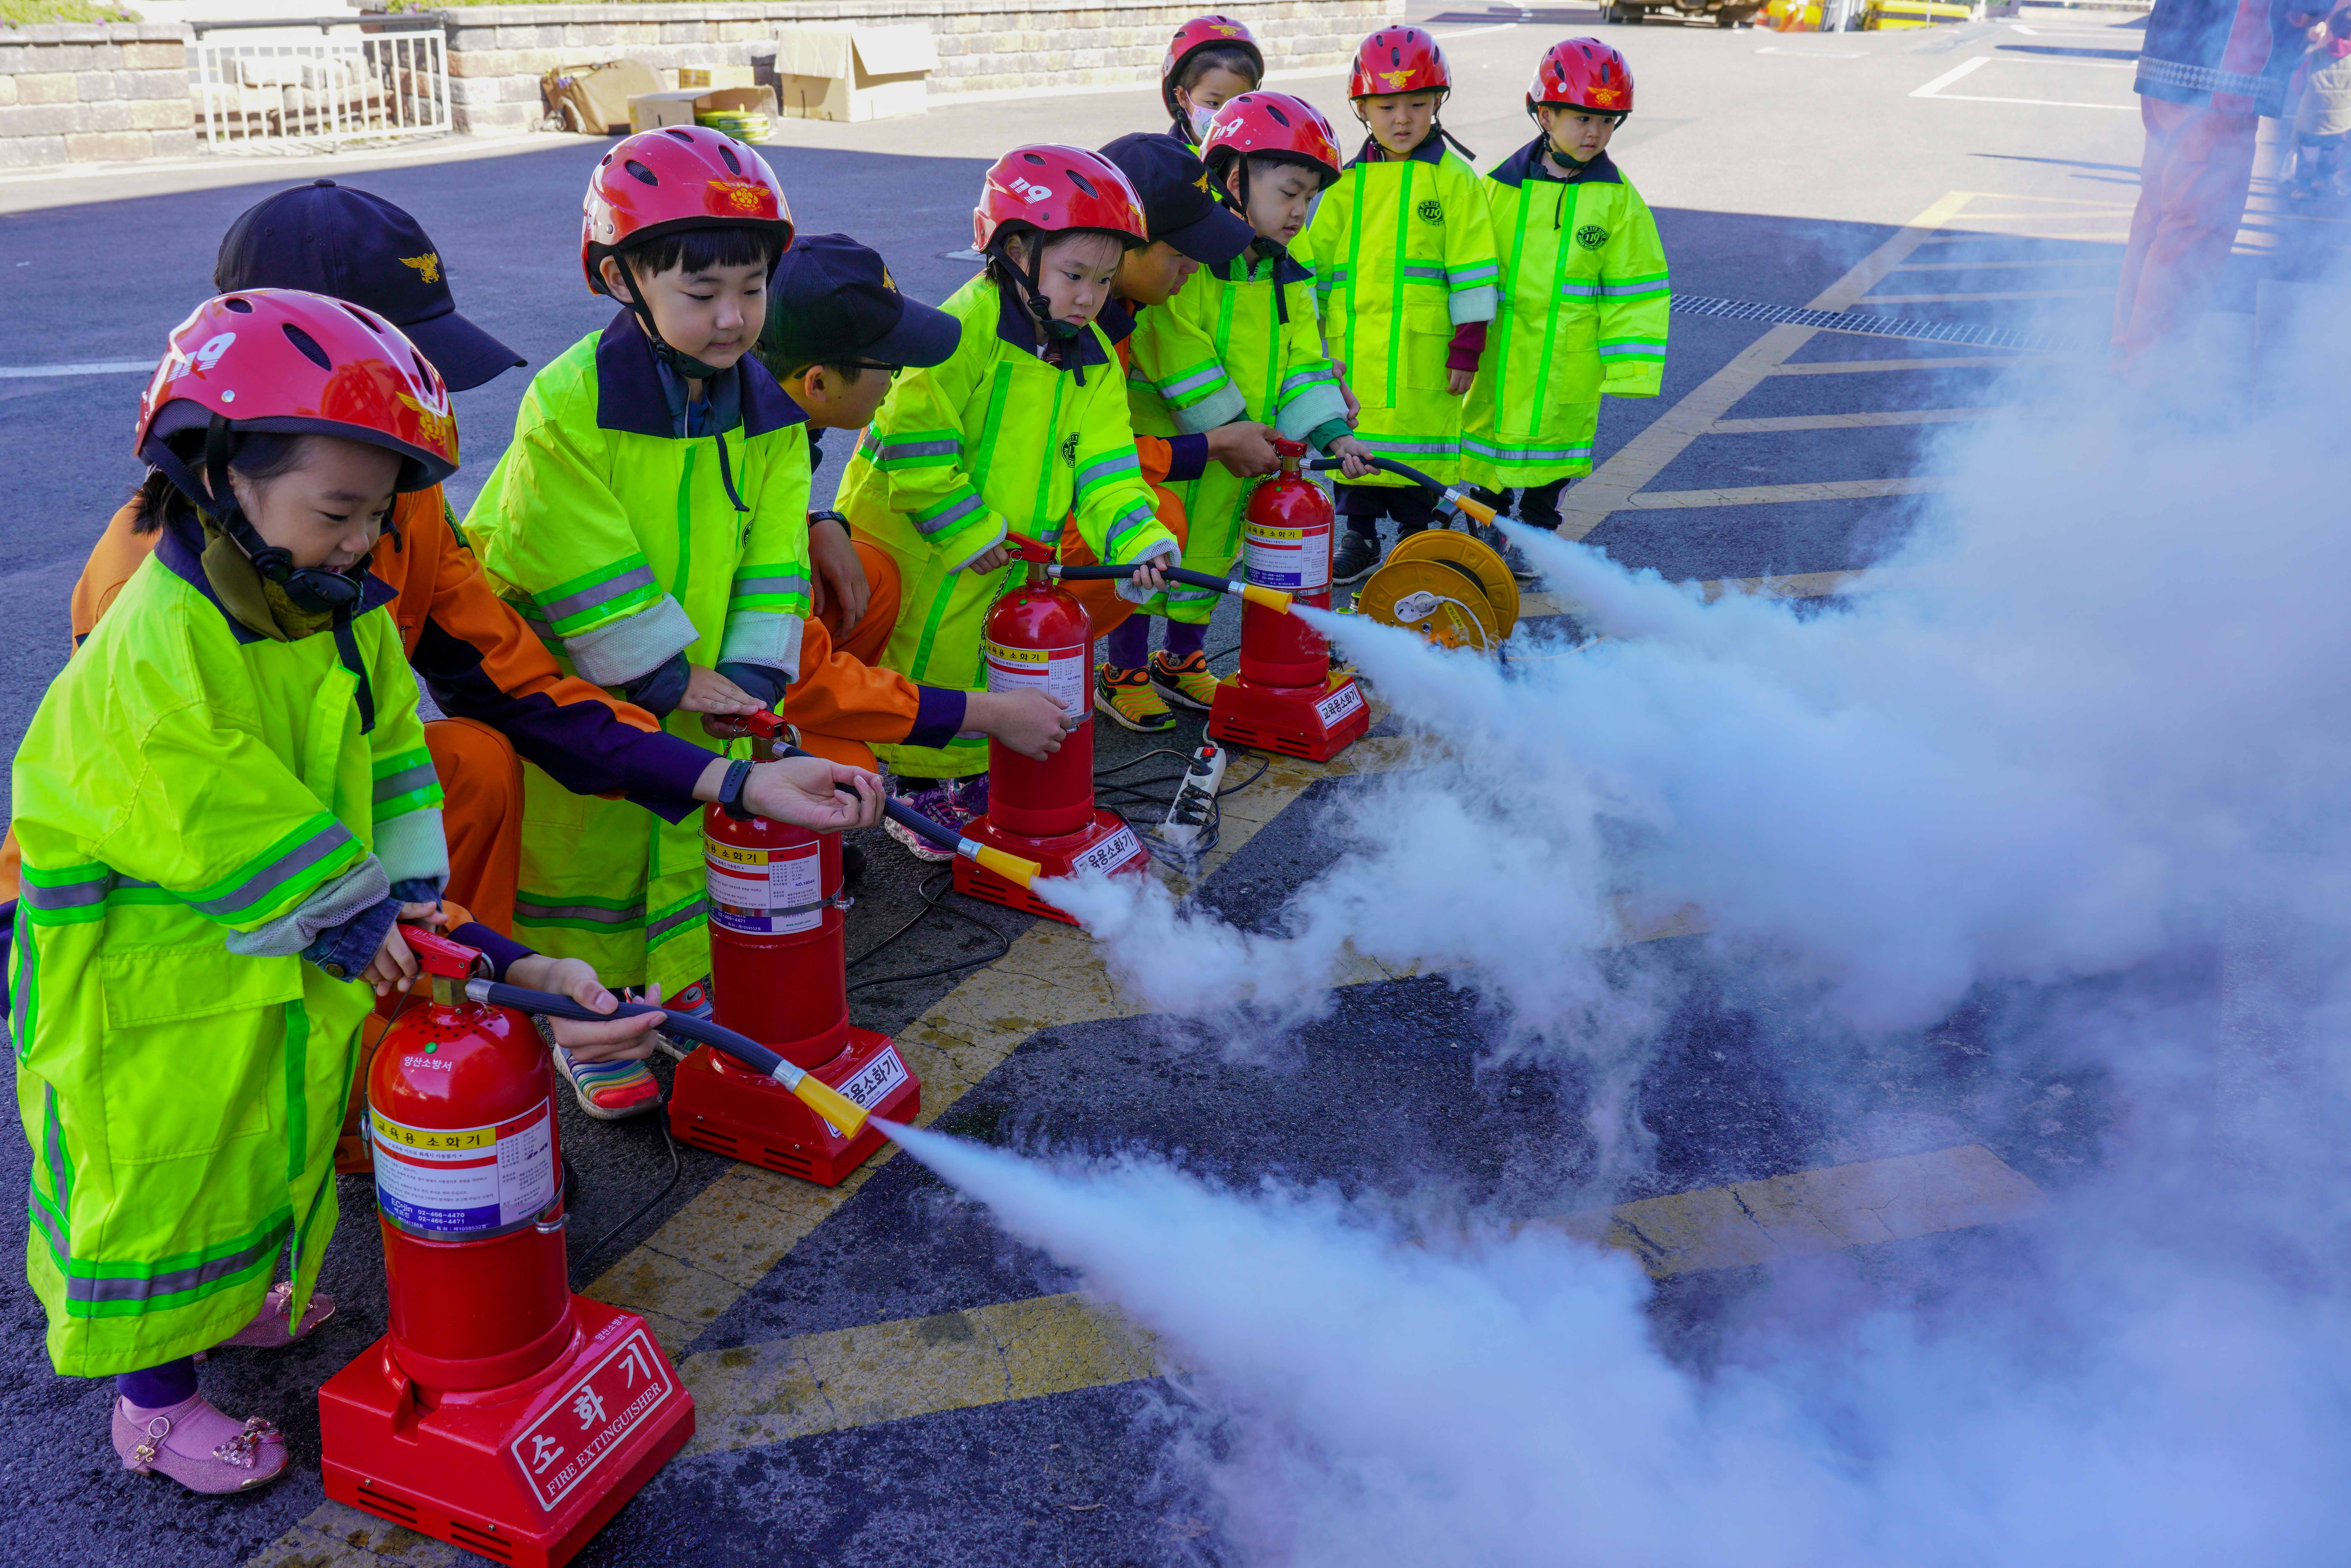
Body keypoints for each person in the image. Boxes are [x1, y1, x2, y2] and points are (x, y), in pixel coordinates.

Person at [0, 177, 882, 1125]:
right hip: (167, 927)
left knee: (471, 764)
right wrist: (433, 954)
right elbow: (216, 823)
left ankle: (390, 1081)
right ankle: (365, 1104)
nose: (374, 512)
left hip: (302, 854)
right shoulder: (153, 600)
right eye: (346, 501)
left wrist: (731, 785)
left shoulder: (397, 513)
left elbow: (522, 688)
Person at [5, 292, 674, 1495]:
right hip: (145, 1003)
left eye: (377, 515)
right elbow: (205, 804)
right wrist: (362, 917)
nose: (364, 542)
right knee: (163, 1183)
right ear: (215, 474)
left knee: (274, 1148)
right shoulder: (151, 646)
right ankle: (151, 1404)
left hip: (262, 964)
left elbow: (393, 766)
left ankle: (234, 1304)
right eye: (338, 512)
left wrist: (419, 906)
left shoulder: (338, 618)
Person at [461, 127, 839, 1010]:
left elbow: (775, 562)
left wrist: (746, 677)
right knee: (581, 854)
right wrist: (668, 676)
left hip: (707, 683)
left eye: (752, 289)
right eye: (701, 291)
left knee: (685, 845)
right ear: (621, 278)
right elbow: (571, 559)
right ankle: (584, 1015)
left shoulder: (774, 416)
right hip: (585, 688)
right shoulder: (568, 401)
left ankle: (674, 986)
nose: (733, 318)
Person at [834, 145, 1180, 860]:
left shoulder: (1089, 357)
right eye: (1075, 276)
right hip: (921, 541)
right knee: (927, 656)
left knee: (979, 659)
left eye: (1105, 280)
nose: (1089, 298)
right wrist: (966, 527)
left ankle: (962, 774)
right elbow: (914, 436)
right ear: (1016, 251)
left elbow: (1110, 467)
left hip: (1002, 548)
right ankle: (915, 784)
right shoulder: (966, 330)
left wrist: (1138, 536)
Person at [751, 232, 1079, 770]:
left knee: (871, 577)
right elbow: (807, 675)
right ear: (818, 382)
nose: (899, 376)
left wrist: (822, 519)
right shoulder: (744, 460)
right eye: (889, 362)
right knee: (847, 774)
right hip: (694, 702)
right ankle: (751, 784)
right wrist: (987, 713)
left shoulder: (780, 423)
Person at [1124, 92, 1372, 714]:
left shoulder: (1286, 268)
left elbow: (1300, 359)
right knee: (1140, 560)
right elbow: (1176, 352)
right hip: (1176, 454)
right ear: (1233, 178)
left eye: (1309, 198)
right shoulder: (1193, 262)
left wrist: (1331, 432)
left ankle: (1181, 661)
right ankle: (1122, 673)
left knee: (1210, 557)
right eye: (1288, 193)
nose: (1300, 212)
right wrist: (1234, 431)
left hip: (1237, 451)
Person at [1461, 38, 1669, 575]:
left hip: (1567, 358)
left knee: (1555, 452)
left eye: (1607, 121)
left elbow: (1637, 287)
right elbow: (1466, 268)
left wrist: (1630, 367)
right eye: (1581, 118)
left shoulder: (1618, 200)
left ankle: (1535, 530)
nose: (1594, 133)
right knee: (1487, 443)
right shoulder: (1495, 190)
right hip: (1501, 353)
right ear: (1544, 114)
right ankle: (1486, 524)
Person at [1302, 27, 1501, 585]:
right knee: (1355, 452)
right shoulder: (1346, 183)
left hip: (1424, 350)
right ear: (1362, 108)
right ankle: (1359, 536)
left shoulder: (1455, 181)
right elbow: (1316, 267)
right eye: (1387, 106)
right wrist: (1308, 339)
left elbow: (1474, 266)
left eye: (1417, 104)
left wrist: (1469, 343)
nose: (1403, 118)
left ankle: (1417, 535)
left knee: (1419, 453)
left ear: (1438, 103)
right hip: (1353, 349)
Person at [1091, 130, 1272, 733]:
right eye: (1179, 253)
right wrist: (1215, 444)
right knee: (1152, 519)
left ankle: (1170, 663)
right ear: (1126, 243)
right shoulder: (1082, 327)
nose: (1194, 268)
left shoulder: (1123, 307)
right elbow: (1094, 462)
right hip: (991, 538)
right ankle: (1115, 671)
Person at [2115, 0, 2303, 363]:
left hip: (2171, 54)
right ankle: (2150, 373)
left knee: (2159, 218)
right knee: (2195, 231)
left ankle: (2127, 352)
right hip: (2224, 71)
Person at [1160, 14, 1263, 147]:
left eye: (1239, 102)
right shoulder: (1166, 160)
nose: (1228, 117)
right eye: (1214, 103)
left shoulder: (1263, 152)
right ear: (1183, 97)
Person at [2287, 10, 2351, 201]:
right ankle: (2324, 180)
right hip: (2340, 125)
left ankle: (2304, 188)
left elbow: (2298, 85)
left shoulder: (2314, 57)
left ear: (2332, 30)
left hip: (2311, 122)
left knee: (2307, 151)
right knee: (2331, 149)